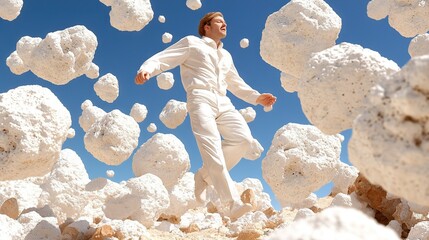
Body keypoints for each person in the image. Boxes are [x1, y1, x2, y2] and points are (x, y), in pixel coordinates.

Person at [135, 12, 276, 219]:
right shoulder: (192, 43)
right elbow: (165, 58)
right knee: (213, 152)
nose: (224, 23)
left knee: (244, 140)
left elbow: (235, 82)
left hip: (224, 102)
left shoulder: (226, 55)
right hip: (200, 99)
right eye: (219, 21)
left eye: (225, 21)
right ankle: (232, 203)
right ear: (206, 27)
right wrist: (147, 69)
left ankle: (204, 176)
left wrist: (256, 97)